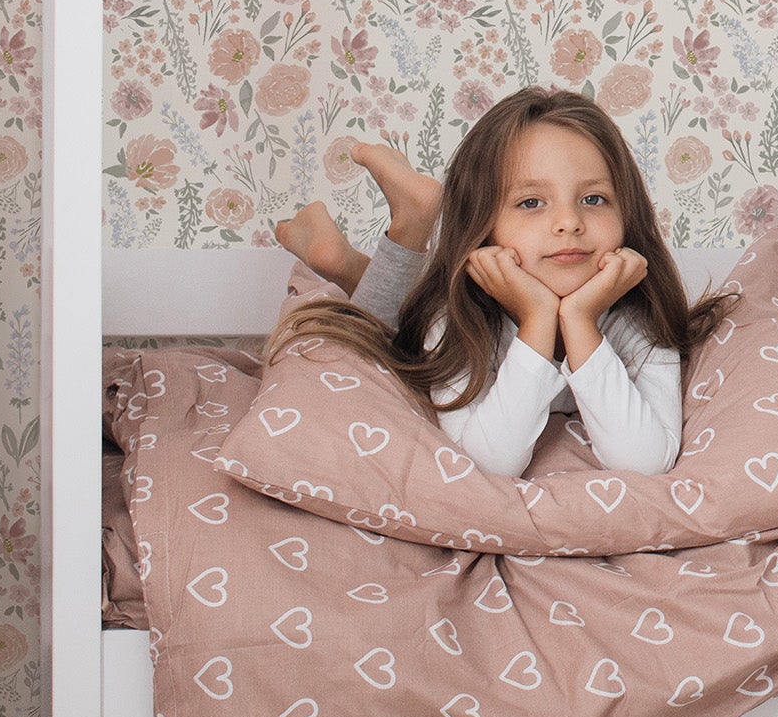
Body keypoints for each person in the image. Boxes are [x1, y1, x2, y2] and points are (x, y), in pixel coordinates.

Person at [268, 89, 731, 477]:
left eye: (594, 198)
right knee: (378, 338)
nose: (569, 222)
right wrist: (536, 320)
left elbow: (645, 462)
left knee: (401, 314)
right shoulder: (453, 319)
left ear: (628, 217)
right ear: (483, 225)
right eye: (531, 203)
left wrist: (580, 319)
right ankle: (402, 229)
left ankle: (349, 265)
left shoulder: (637, 316)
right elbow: (491, 463)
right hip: (431, 314)